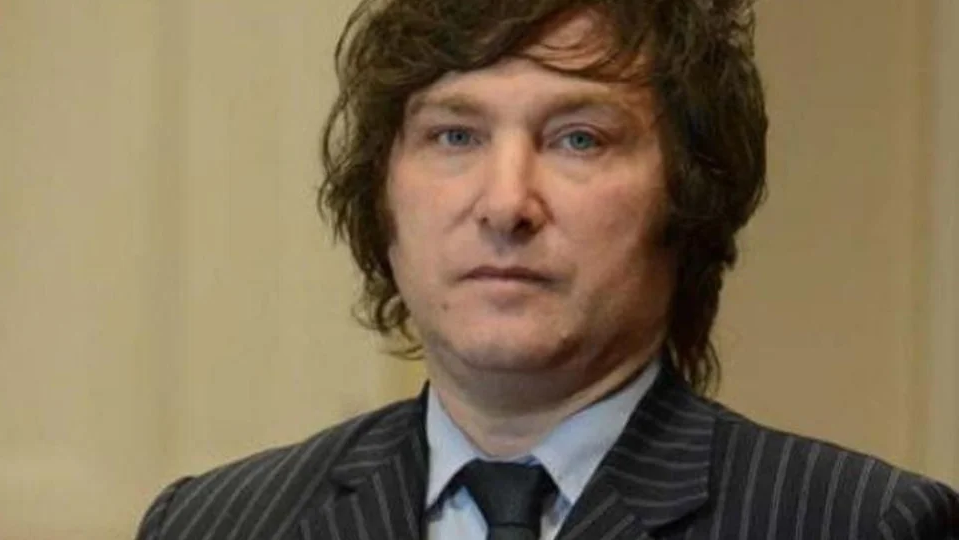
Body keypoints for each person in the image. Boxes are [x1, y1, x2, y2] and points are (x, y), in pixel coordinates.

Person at [136, 0, 959, 538]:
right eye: (454, 135)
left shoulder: (861, 523)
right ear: (383, 195)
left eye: (578, 139)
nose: (506, 204)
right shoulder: (213, 524)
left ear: (688, 195)